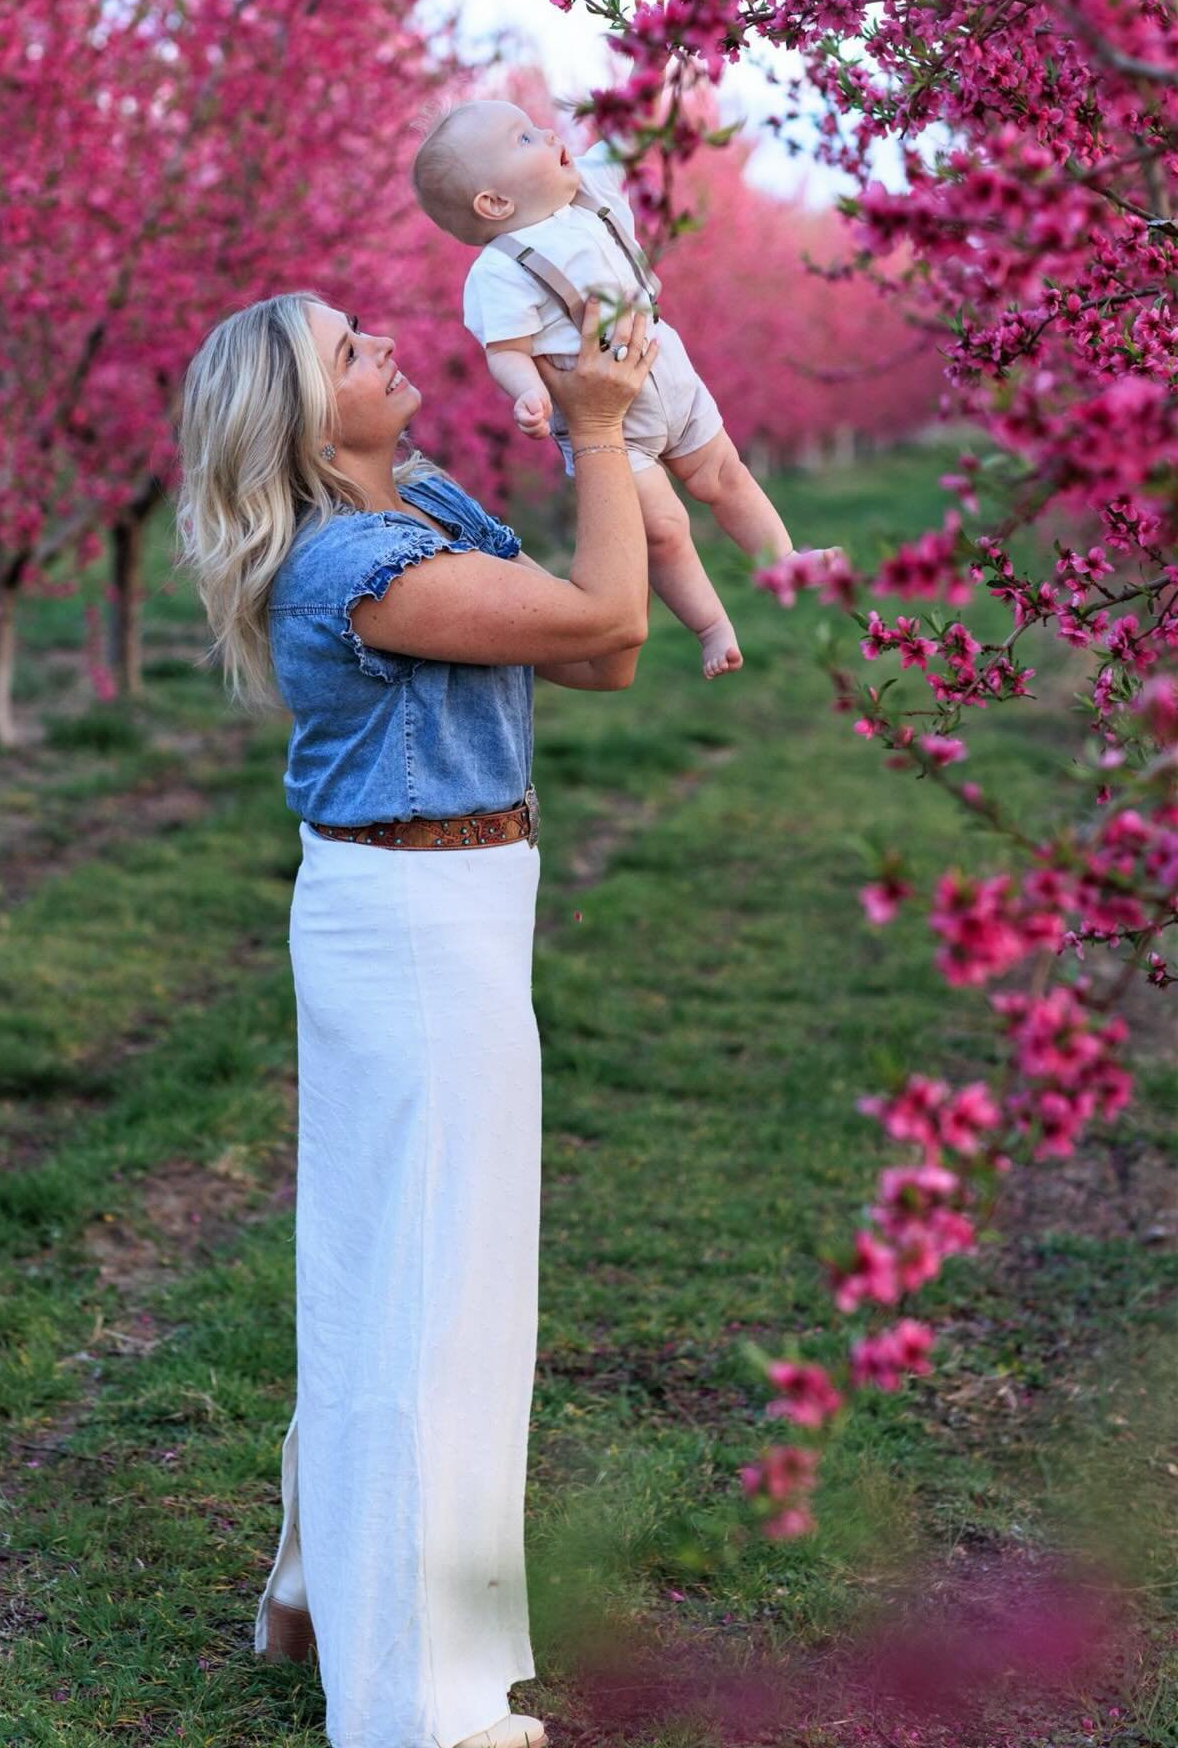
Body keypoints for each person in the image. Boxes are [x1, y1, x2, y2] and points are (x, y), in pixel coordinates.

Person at [173, 288, 659, 1748]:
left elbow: (605, 654)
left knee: (427, 1277)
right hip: (406, 920)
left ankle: (343, 1599)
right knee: (425, 1297)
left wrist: (602, 450)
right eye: (346, 350)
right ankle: (410, 1704)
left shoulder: (430, 503)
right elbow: (614, 612)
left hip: (463, 901)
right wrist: (596, 435)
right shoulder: (353, 565)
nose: (385, 343)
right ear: (310, 421)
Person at [411, 96, 841, 682]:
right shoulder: (499, 269)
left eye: (533, 123)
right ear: (494, 202)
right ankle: (713, 625)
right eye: (523, 139)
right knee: (663, 530)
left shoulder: (591, 187)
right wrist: (527, 392)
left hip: (669, 373)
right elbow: (506, 350)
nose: (546, 130)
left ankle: (782, 559)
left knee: (726, 474)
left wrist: (666, 85)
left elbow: (636, 137)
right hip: (609, 423)